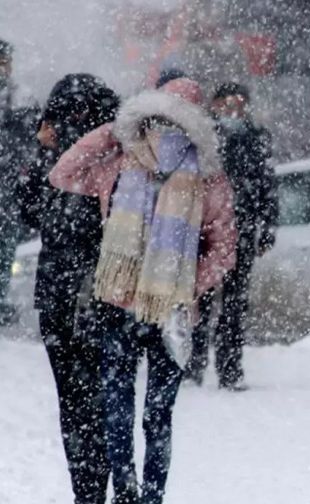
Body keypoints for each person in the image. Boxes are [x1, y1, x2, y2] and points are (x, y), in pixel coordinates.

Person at [50, 77, 237, 504]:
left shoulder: (120, 161)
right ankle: (150, 495)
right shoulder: (209, 177)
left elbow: (63, 172)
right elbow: (224, 249)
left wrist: (116, 130)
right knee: (158, 415)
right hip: (171, 312)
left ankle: (128, 490)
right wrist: (186, 286)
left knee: (118, 407)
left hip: (118, 302)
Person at [17, 73, 119, 504]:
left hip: (78, 291)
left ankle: (90, 489)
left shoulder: (94, 157)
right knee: (95, 400)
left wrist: (43, 152)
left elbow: (32, 210)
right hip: (89, 292)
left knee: (80, 404)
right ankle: (97, 487)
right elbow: (29, 208)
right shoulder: (109, 151)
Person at [184, 81, 277, 390]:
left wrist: (267, 227)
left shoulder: (255, 139)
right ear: (215, 104)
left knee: (235, 305)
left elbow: (267, 185)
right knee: (201, 300)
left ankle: (230, 368)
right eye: (227, 103)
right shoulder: (201, 138)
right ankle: (194, 364)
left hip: (241, 231)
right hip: (206, 233)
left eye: (239, 103)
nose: (233, 110)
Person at [0, 38, 36, 324]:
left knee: (5, 245)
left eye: (6, 62)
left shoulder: (22, 97)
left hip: (8, 185)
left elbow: (29, 141)